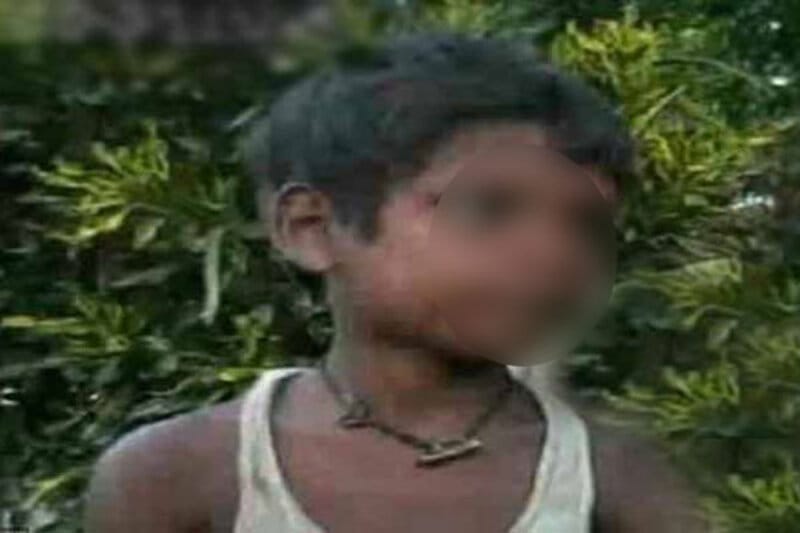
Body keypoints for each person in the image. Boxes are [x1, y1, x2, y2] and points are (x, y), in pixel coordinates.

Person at [84, 32, 708, 532]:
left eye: (586, 224)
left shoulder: (619, 478)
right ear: (311, 229)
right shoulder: (181, 474)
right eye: (488, 207)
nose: (552, 253)